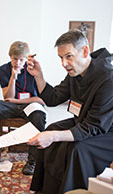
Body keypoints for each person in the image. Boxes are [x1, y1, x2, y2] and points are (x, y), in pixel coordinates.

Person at [27, 29, 113, 194]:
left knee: (77, 149)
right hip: (84, 123)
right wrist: (38, 75)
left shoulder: (108, 79)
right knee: (51, 129)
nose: (64, 64)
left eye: (69, 56)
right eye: (61, 58)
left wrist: (54, 136)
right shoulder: (75, 73)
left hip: (106, 131)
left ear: (85, 51)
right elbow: (54, 98)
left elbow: (94, 127)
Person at [0, 41, 46, 175]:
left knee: (39, 115)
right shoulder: (3, 69)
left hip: (30, 105)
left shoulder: (33, 70)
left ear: (26, 58)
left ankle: (32, 162)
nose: (18, 62)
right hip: (11, 105)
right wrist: (13, 78)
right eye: (15, 59)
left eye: (21, 59)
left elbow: (42, 100)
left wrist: (19, 101)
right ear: (10, 57)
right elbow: (7, 97)